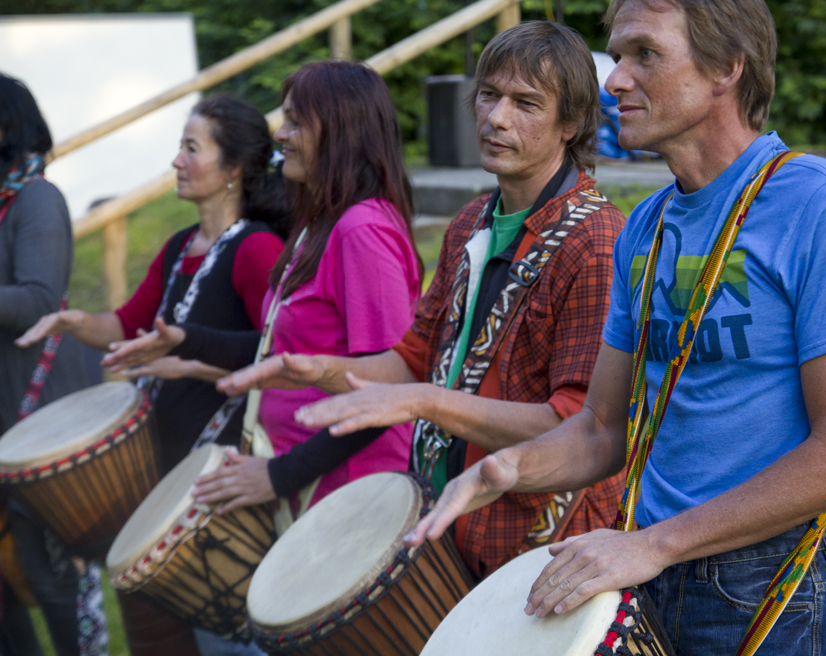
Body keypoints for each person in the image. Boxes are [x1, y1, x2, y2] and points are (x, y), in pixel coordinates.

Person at [405, 1, 826, 654]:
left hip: (773, 578)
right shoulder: (646, 226)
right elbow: (602, 428)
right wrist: (505, 469)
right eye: (618, 55)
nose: (614, 80)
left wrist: (654, 544)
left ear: (726, 67)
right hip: (651, 568)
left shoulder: (822, 206)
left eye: (645, 54)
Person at [211, 22, 629, 581]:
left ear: (571, 122)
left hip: (544, 549)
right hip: (449, 527)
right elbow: (414, 358)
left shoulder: (596, 240)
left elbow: (577, 427)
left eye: (526, 103)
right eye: (489, 95)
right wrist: (323, 370)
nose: (496, 118)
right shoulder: (470, 222)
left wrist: (426, 402)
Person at [18, 94, 288, 656]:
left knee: (223, 641)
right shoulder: (178, 247)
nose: (176, 162)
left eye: (192, 149)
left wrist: (189, 363)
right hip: (164, 472)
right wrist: (75, 321)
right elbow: (125, 325)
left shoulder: (256, 249)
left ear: (234, 168)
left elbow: (277, 351)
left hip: (218, 474)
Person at [103, 61, 422, 521]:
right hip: (312, 488)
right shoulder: (321, 224)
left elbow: (387, 390)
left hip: (351, 497)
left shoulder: (362, 231)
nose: (280, 134)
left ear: (339, 131)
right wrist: (189, 340)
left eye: (295, 121)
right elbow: (292, 348)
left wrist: (279, 475)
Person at [0, 72, 101, 656]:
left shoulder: (37, 198)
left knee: (53, 581)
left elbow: (38, 300)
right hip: (8, 423)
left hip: (41, 422)